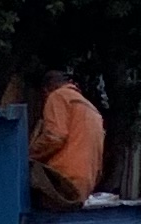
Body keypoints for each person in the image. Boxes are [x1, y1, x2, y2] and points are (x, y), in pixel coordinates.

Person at [31, 70, 105, 211]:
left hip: (62, 179)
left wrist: (29, 156)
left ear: (46, 90)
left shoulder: (58, 96)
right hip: (85, 181)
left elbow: (54, 137)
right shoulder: (90, 108)